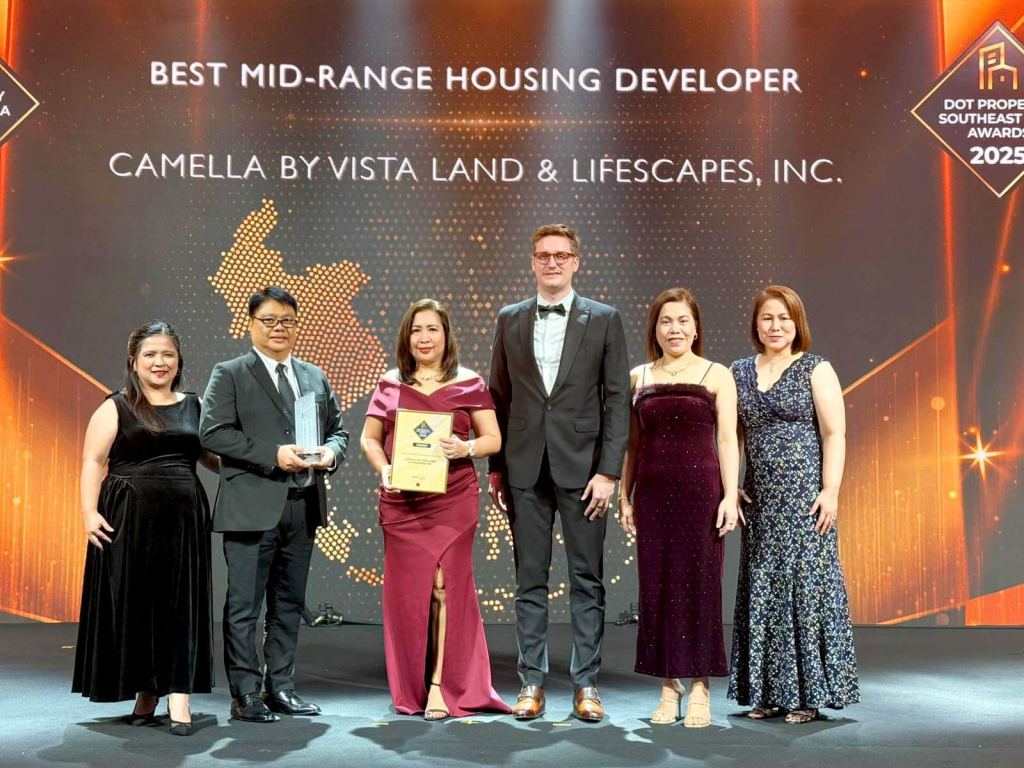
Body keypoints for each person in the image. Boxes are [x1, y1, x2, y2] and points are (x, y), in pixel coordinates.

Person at [488, 223, 630, 722]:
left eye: (561, 255)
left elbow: (618, 400)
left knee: (586, 580)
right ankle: (531, 682)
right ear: (532, 262)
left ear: (576, 262)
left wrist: (609, 473)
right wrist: (497, 469)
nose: (552, 262)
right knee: (529, 580)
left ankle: (586, 685)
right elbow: (498, 397)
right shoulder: (509, 318)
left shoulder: (604, 318)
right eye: (544, 255)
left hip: (586, 470)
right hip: (524, 467)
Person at [200, 286, 348, 723]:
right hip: (250, 507)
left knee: (288, 604)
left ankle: (280, 687)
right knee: (244, 607)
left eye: (287, 320)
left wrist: (331, 453)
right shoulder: (230, 373)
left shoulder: (314, 375)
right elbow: (213, 433)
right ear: (251, 325)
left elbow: (338, 430)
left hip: (302, 505)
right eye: (268, 320)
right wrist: (273, 454)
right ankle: (245, 693)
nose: (278, 328)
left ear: (297, 326)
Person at [360, 299, 510, 720]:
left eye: (432, 329)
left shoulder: (470, 382)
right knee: (413, 596)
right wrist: (385, 468)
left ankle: (441, 685)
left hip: (453, 498)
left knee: (445, 587)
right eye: (416, 330)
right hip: (402, 504)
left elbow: (493, 439)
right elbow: (369, 438)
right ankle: (414, 681)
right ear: (406, 338)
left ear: (446, 336)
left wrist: (465, 448)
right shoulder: (389, 383)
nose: (424, 338)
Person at [72, 321, 215, 736]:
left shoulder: (196, 405)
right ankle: (147, 692)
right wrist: (88, 512)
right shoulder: (115, 406)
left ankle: (179, 694)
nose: (159, 362)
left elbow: (213, 457)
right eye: (150, 354)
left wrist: (259, 465)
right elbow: (92, 462)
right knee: (138, 605)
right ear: (134, 362)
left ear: (179, 362)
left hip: (184, 519)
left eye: (168, 354)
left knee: (181, 604)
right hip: (128, 518)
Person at [727, 285, 860, 723]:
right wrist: (730, 486)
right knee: (764, 590)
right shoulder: (739, 371)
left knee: (804, 590)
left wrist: (831, 490)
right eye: (767, 317)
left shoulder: (815, 368)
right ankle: (766, 692)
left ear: (796, 322)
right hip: (761, 502)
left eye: (784, 317)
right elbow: (732, 437)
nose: (775, 326)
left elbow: (834, 433)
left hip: (806, 501)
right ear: (756, 324)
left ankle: (807, 695)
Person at [617, 289, 741, 727]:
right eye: (666, 321)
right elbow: (632, 444)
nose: (675, 329)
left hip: (701, 494)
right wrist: (624, 496)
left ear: (696, 327)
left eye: (683, 320)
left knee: (702, 587)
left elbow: (727, 440)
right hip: (652, 496)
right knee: (657, 588)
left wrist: (730, 495)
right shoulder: (637, 377)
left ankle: (701, 686)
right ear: (655, 329)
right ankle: (669, 685)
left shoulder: (716, 374)